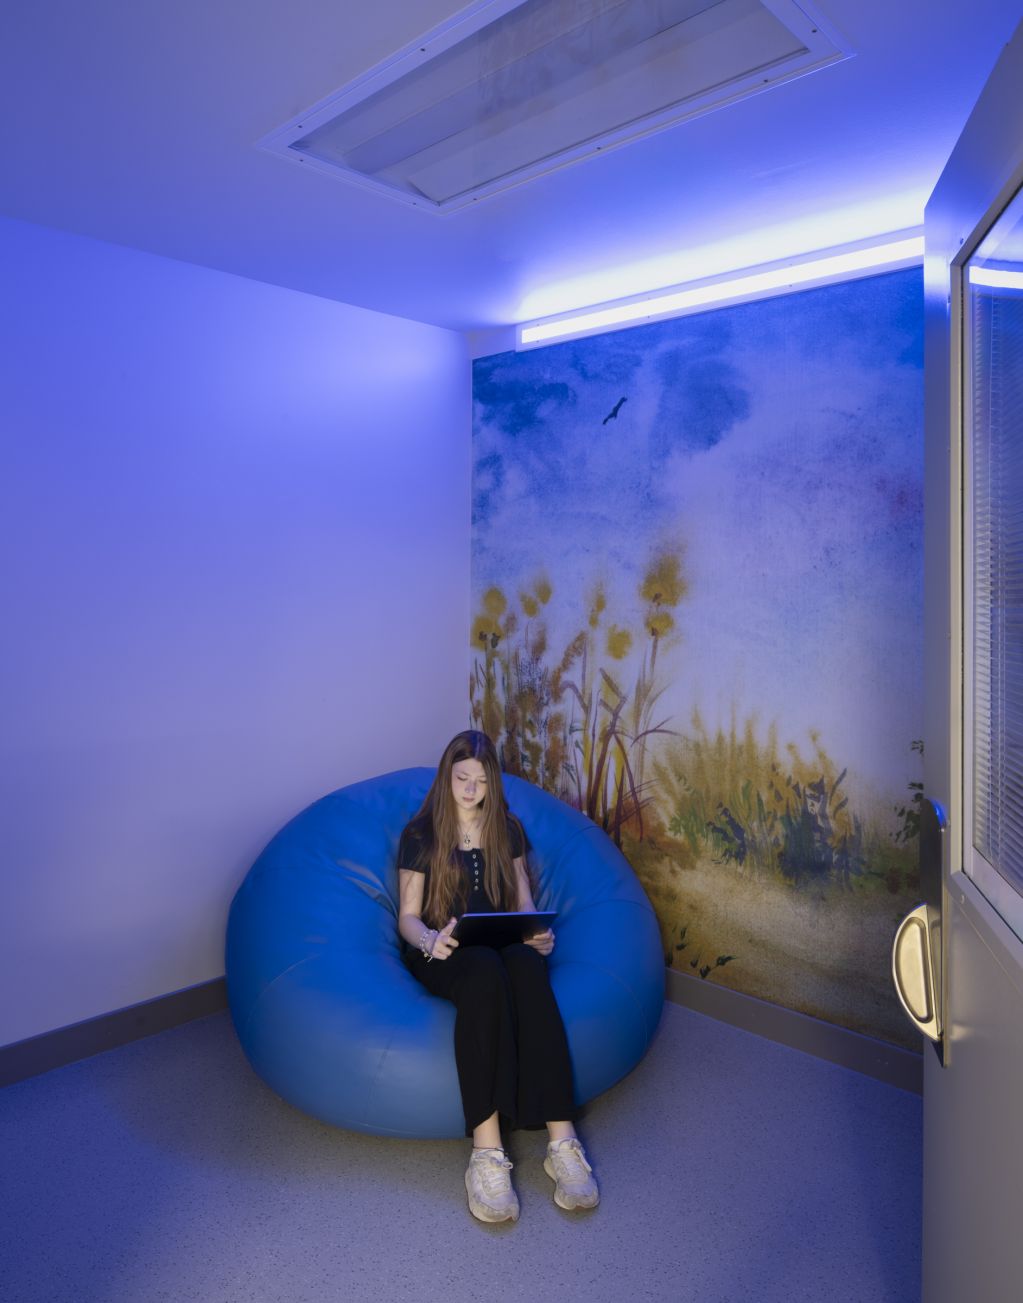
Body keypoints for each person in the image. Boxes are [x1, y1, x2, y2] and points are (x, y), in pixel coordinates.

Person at [397, 729, 600, 1224]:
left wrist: (537, 933)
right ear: (446, 776)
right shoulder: (420, 834)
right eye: (461, 778)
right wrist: (429, 940)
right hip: (442, 949)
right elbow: (408, 917)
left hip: (498, 940)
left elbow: (523, 901)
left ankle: (562, 1143)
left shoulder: (506, 829)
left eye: (481, 781)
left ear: (493, 783)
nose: (470, 790)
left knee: (527, 965)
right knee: (485, 970)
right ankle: (486, 1154)